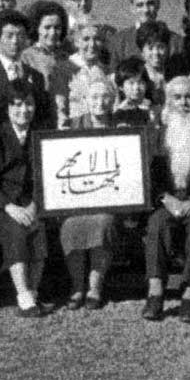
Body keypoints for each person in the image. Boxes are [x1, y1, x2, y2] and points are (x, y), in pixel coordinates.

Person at [142, 76, 190, 323]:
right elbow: (149, 175)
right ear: (168, 101)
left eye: (189, 96)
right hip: (168, 199)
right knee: (157, 224)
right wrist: (165, 198)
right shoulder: (157, 134)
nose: (184, 102)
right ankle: (155, 293)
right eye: (177, 97)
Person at [0, 79, 50, 317]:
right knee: (17, 232)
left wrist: (35, 204)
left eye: (29, 104)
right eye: (17, 105)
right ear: (7, 107)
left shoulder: (41, 133)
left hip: (32, 201)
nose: (23, 110)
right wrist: (9, 207)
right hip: (2, 204)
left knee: (38, 230)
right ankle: (23, 295)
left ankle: (34, 291)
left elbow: (47, 174)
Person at [62, 81, 121, 311]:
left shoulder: (121, 128)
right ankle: (77, 286)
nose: (100, 102)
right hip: (76, 200)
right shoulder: (71, 126)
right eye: (94, 96)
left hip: (108, 199)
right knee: (70, 225)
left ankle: (95, 287)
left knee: (104, 222)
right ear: (85, 100)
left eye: (106, 96)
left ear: (113, 100)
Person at [0, 9, 55, 140]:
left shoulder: (36, 76)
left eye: (20, 36)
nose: (15, 41)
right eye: (9, 36)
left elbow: (41, 120)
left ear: (26, 39)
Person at [106, 0, 182, 70]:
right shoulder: (119, 42)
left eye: (150, 4)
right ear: (132, 8)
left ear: (158, 5)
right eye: (140, 5)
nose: (146, 10)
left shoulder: (176, 42)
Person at [63, 22, 111, 125]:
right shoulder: (63, 70)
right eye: (86, 39)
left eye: (97, 39)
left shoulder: (107, 71)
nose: (92, 44)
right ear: (76, 42)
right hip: (75, 130)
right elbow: (60, 109)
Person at [19, 0, 73, 90]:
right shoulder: (26, 57)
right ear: (37, 28)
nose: (53, 33)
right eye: (47, 27)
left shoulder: (66, 58)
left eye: (57, 27)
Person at [134, 20, 172, 106]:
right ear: (142, 52)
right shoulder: (136, 76)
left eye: (161, 47)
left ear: (167, 49)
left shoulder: (174, 75)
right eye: (150, 48)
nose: (156, 53)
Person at [113, 57, 158, 127]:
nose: (136, 87)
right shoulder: (119, 114)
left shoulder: (153, 110)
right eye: (131, 83)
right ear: (121, 87)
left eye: (141, 82)